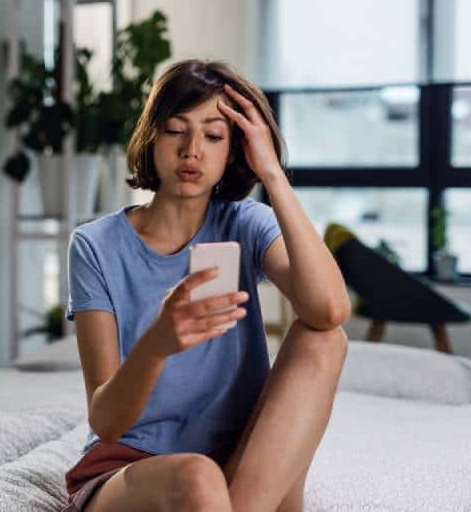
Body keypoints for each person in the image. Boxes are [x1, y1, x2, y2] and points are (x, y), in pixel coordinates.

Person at [61, 59, 351, 512]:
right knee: (199, 478)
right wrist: (158, 342)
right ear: (153, 136)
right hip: (134, 468)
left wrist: (272, 174)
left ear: (235, 149)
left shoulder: (246, 223)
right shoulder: (94, 245)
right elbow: (106, 420)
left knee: (324, 341)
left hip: (238, 466)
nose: (192, 150)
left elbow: (329, 311)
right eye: (177, 130)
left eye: (214, 136)